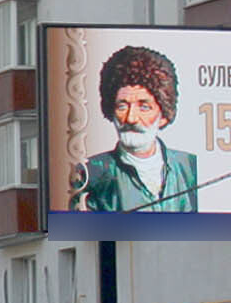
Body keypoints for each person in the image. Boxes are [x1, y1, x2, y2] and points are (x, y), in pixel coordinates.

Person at [74, 44, 201, 214]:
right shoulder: (90, 173)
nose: (131, 118)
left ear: (163, 115)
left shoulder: (188, 166)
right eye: (122, 106)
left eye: (144, 107)